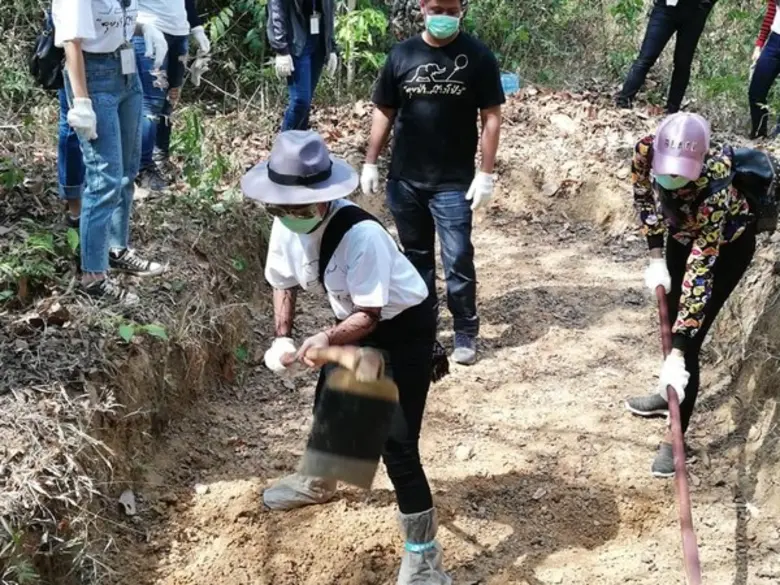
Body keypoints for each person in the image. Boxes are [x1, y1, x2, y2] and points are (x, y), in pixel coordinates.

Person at [242, 130, 451, 584]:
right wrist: (283, 336)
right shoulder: (284, 224)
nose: (291, 216)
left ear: (324, 198)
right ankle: (319, 481)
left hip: (401, 328)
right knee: (332, 402)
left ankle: (424, 558)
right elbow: (283, 281)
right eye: (284, 207)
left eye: (300, 207)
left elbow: (370, 316)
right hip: (352, 321)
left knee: (397, 443)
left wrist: (326, 339)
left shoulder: (363, 237)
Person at [360, 0, 504, 366]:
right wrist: (371, 161)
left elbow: (491, 116)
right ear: (423, 7)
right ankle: (423, 326)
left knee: (457, 257)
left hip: (453, 182)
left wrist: (485, 172)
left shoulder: (478, 57)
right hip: (406, 179)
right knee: (416, 258)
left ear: (462, 10)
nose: (444, 16)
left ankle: (465, 330)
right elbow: (384, 110)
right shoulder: (402, 55)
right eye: (437, 7)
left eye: (452, 9)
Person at [624, 113, 758, 477]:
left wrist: (678, 352)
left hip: (724, 247)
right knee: (669, 310)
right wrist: (655, 254)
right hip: (680, 233)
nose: (673, 179)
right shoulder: (647, 149)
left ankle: (675, 436)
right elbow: (642, 194)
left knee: (689, 340)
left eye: (683, 173)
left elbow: (701, 272)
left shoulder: (716, 188)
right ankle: (667, 393)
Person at [53, 0, 169, 304]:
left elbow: (116, 20)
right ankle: (93, 276)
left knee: (127, 171)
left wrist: (145, 26)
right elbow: (72, 42)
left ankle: (116, 248)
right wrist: (82, 103)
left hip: (126, 70)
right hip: (94, 76)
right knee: (104, 178)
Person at [133, 0, 210, 191]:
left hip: (179, 33)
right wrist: (140, 25)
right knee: (151, 104)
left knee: (170, 99)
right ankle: (143, 167)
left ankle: (160, 158)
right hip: (148, 30)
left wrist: (197, 28)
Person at [615, 0, 717, 113]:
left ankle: (672, 110)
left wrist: (707, 5)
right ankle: (623, 103)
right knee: (646, 57)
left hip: (696, 11)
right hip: (666, 8)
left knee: (682, 63)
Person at [267, 0, 339, 131]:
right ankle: (284, 147)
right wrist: (281, 48)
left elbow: (329, 9)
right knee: (300, 101)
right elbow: (276, 9)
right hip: (296, 39)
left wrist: (331, 46)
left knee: (306, 104)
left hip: (318, 40)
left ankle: (299, 147)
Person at [749, 0, 780, 138]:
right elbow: (772, 11)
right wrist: (759, 44)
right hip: (774, 42)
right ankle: (759, 132)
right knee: (756, 90)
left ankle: (778, 138)